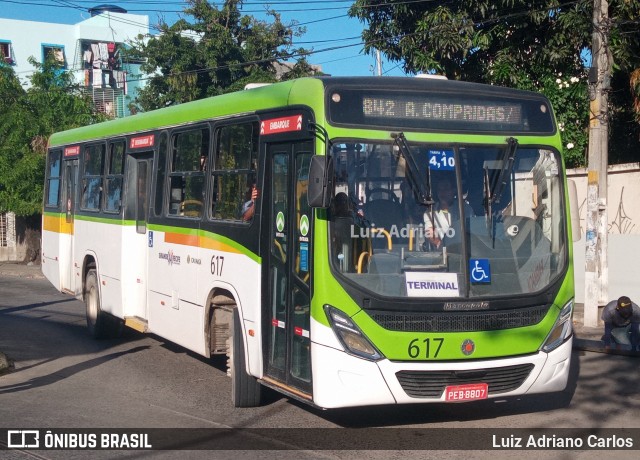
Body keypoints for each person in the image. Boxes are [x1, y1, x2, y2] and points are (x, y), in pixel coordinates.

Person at [424, 174, 474, 249]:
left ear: (453, 190)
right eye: (439, 190)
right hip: (440, 255)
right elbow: (430, 233)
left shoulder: (466, 209)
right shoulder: (429, 212)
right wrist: (440, 245)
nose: (442, 192)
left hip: (464, 253)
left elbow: (472, 233)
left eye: (446, 189)